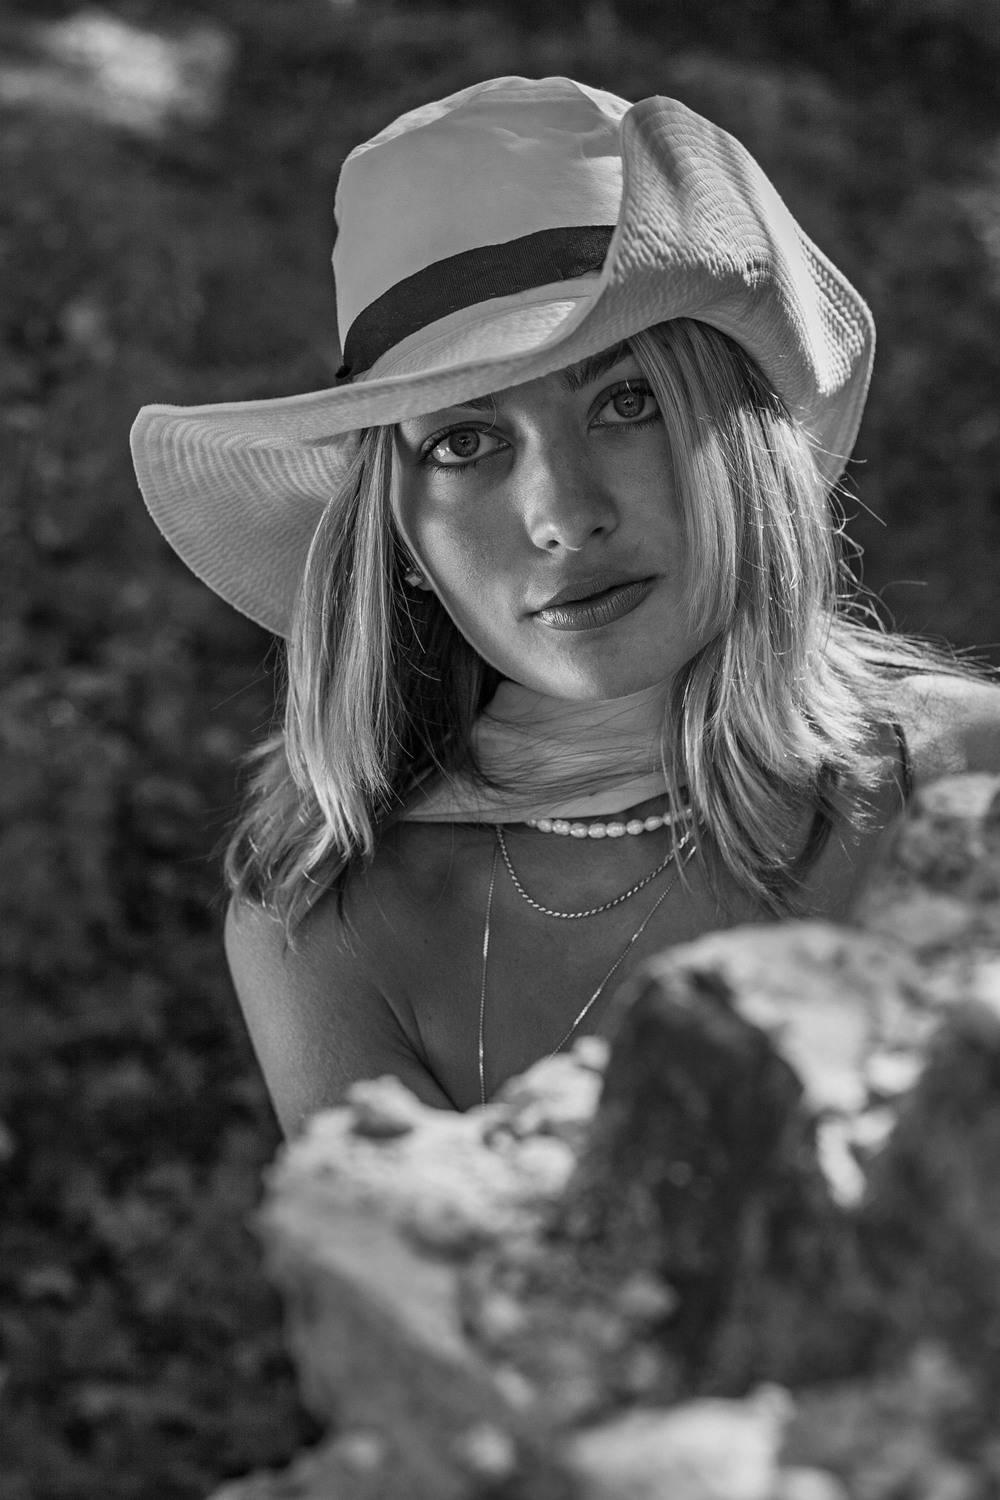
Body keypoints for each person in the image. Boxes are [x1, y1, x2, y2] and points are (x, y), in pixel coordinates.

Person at [131, 76, 1000, 1135]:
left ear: (742, 443)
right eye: (464, 442)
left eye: (628, 402)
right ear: (400, 540)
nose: (564, 517)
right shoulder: (331, 930)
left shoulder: (968, 782)